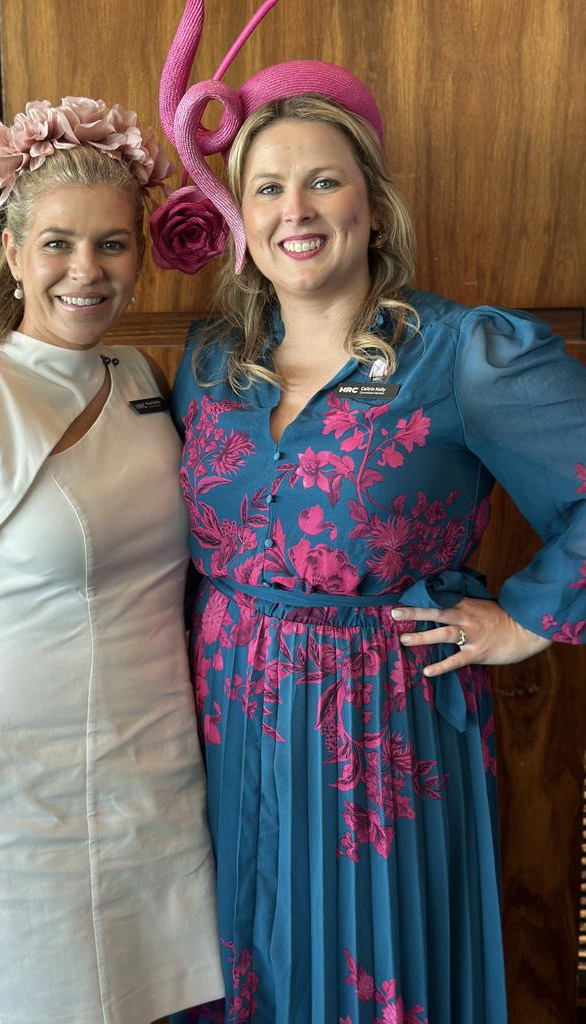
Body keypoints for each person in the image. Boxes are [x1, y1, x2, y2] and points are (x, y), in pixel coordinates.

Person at [146, 1, 586, 1021]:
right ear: (242, 223)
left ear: (373, 208)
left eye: (323, 180)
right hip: (220, 731)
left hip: (382, 744)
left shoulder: (465, 355)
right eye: (267, 187)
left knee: (368, 981)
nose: (295, 208)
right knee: (231, 968)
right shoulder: (211, 363)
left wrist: (524, 618)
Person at [0, 96, 224, 1023]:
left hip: (162, 768)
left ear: (140, 260)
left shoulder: (143, 378)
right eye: (59, 244)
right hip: (27, 786)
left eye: (112, 245)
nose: (86, 270)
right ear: (15, 255)